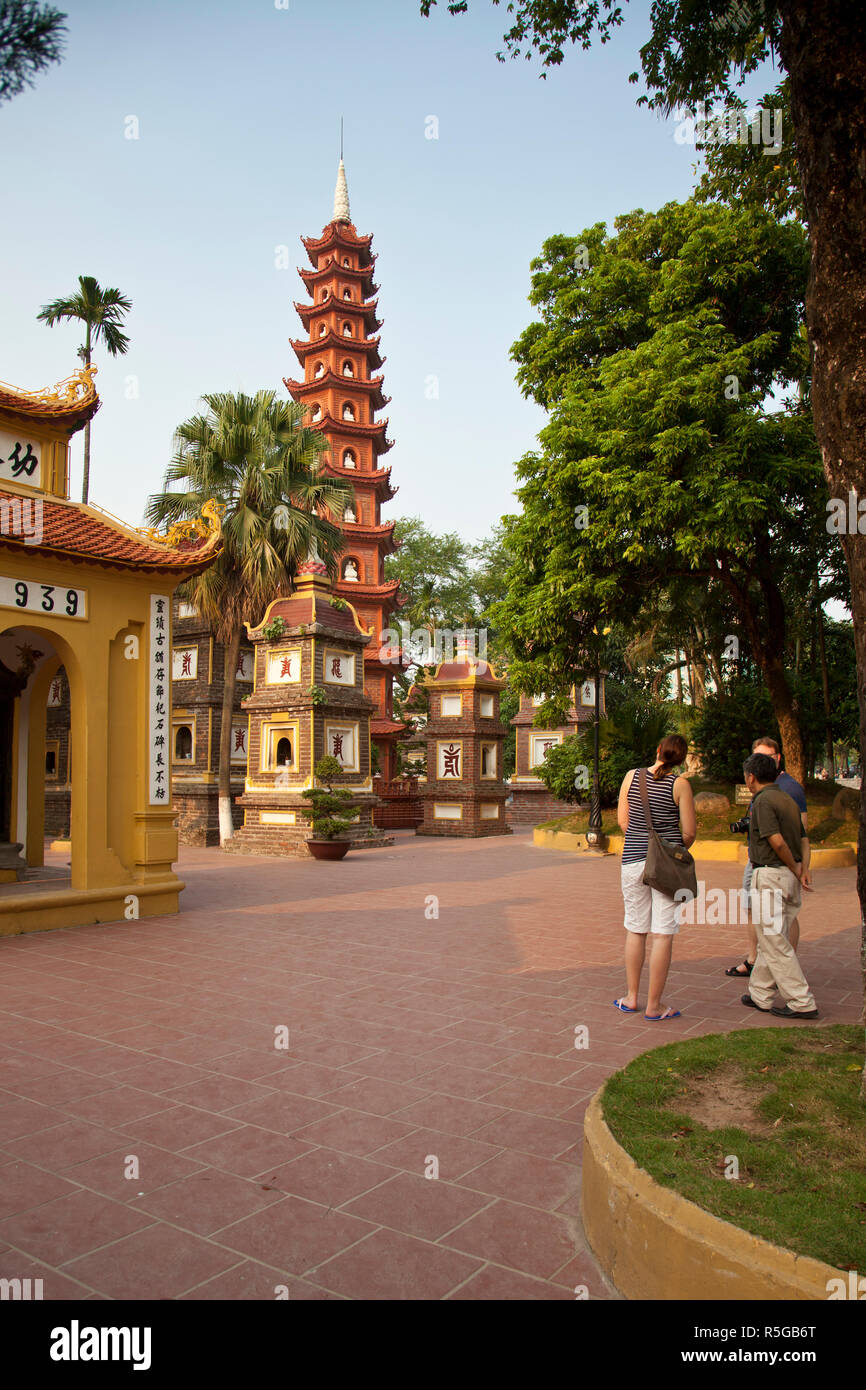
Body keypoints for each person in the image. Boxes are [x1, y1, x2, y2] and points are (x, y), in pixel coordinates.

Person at [614, 734, 696, 1022]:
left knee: (636, 928)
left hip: (633, 860)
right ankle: (655, 1005)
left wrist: (641, 842)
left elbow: (623, 822)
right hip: (666, 867)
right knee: (663, 933)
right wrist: (669, 848)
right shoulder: (680, 785)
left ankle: (631, 997)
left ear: (658, 750)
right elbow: (689, 833)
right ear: (681, 758)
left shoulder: (631, 777)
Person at [739, 752, 818, 1018]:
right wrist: (802, 868)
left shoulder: (762, 801)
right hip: (788, 877)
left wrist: (796, 867)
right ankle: (760, 992)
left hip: (771, 874)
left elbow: (776, 841)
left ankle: (801, 1001)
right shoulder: (788, 799)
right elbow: (804, 839)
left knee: (774, 942)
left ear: (751, 777)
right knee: (772, 937)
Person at [725, 736, 810, 978]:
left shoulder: (787, 789)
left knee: (783, 918)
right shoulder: (764, 792)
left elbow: (796, 834)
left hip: (775, 865)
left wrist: (797, 866)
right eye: (757, 758)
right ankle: (758, 967)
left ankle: (788, 974)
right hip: (760, 861)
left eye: (767, 758)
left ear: (778, 759)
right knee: (758, 913)